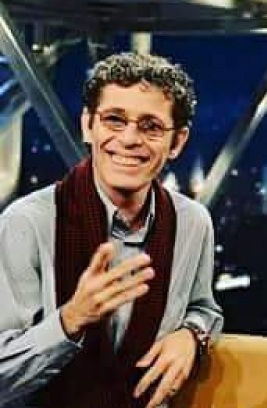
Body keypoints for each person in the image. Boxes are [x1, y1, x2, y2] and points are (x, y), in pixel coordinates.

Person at [0, 52, 223, 408]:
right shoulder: (26, 223)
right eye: (114, 120)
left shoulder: (192, 223)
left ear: (178, 142)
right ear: (88, 125)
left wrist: (192, 334)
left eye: (151, 126)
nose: (130, 139)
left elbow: (204, 308)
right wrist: (71, 320)